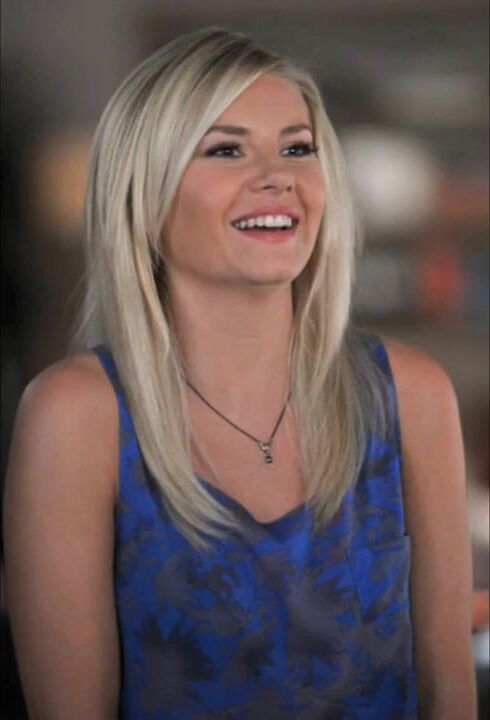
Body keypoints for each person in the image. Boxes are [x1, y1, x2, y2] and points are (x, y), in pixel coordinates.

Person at [2, 27, 477, 719]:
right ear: (145, 193)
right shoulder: (75, 415)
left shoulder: (411, 393)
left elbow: (449, 695)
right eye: (227, 149)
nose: (278, 176)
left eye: (297, 148)